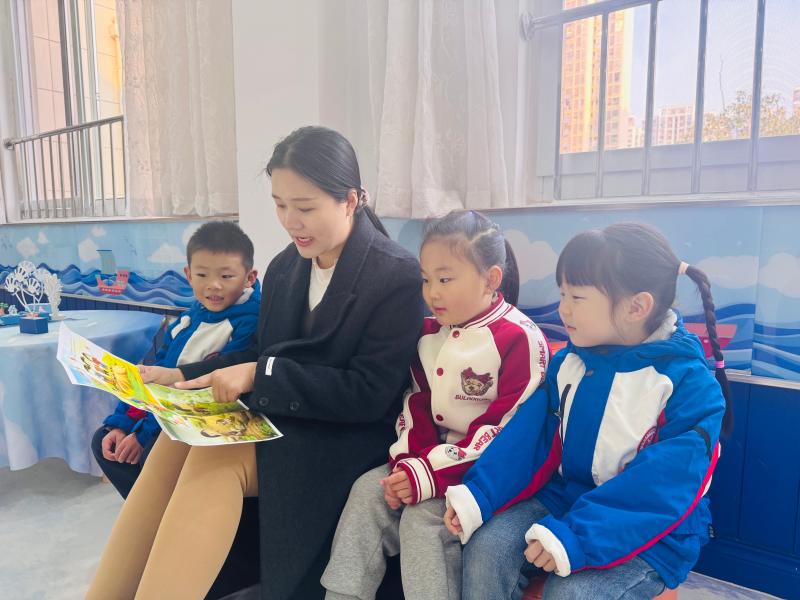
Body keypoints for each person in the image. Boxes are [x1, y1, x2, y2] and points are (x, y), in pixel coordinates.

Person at [85, 126, 424, 600]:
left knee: (215, 459)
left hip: (347, 436)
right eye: (279, 204)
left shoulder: (395, 274)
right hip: (287, 416)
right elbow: (261, 349)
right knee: (174, 438)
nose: (290, 221)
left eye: (304, 207)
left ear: (350, 201)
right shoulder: (287, 266)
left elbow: (369, 393)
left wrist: (261, 376)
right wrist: (182, 375)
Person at [445, 222, 732, 600]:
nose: (563, 308)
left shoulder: (689, 387)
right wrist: (479, 494)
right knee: (488, 548)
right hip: (568, 500)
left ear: (636, 307)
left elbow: (662, 487)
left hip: (654, 533)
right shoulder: (569, 364)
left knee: (572, 592)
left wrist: (576, 538)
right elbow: (527, 440)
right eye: (562, 293)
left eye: (576, 298)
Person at [321, 210, 550, 600]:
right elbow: (416, 406)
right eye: (426, 280)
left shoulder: (521, 339)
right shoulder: (428, 335)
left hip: (490, 474)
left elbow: (507, 432)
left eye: (445, 280)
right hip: (432, 463)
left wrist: (426, 475)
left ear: (491, 279)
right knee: (367, 492)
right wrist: (407, 466)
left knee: (423, 520)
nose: (432, 293)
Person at [90, 221, 260, 499]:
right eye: (202, 274)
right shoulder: (188, 318)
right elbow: (155, 373)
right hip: (163, 413)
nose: (213, 285)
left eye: (227, 276)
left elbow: (196, 392)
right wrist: (123, 423)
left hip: (201, 418)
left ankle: (161, 509)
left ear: (249, 277)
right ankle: (150, 507)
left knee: (150, 454)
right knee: (104, 440)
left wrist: (142, 435)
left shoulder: (250, 322)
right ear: (188, 275)